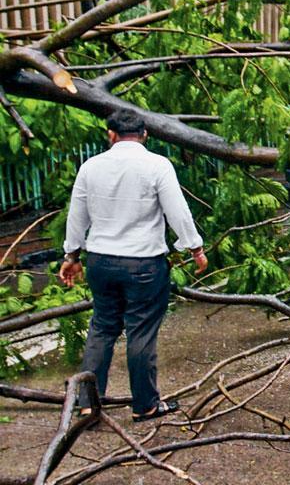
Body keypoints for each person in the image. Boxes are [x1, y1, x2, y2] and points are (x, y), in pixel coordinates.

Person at [58, 110, 208, 421]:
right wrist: (194, 247)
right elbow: (177, 211)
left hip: (100, 262)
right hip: (144, 264)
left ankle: (87, 404)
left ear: (110, 135)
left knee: (102, 327)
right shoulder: (157, 165)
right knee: (140, 331)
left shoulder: (90, 167)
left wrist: (71, 257)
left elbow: (77, 216)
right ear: (144, 135)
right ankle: (146, 405)